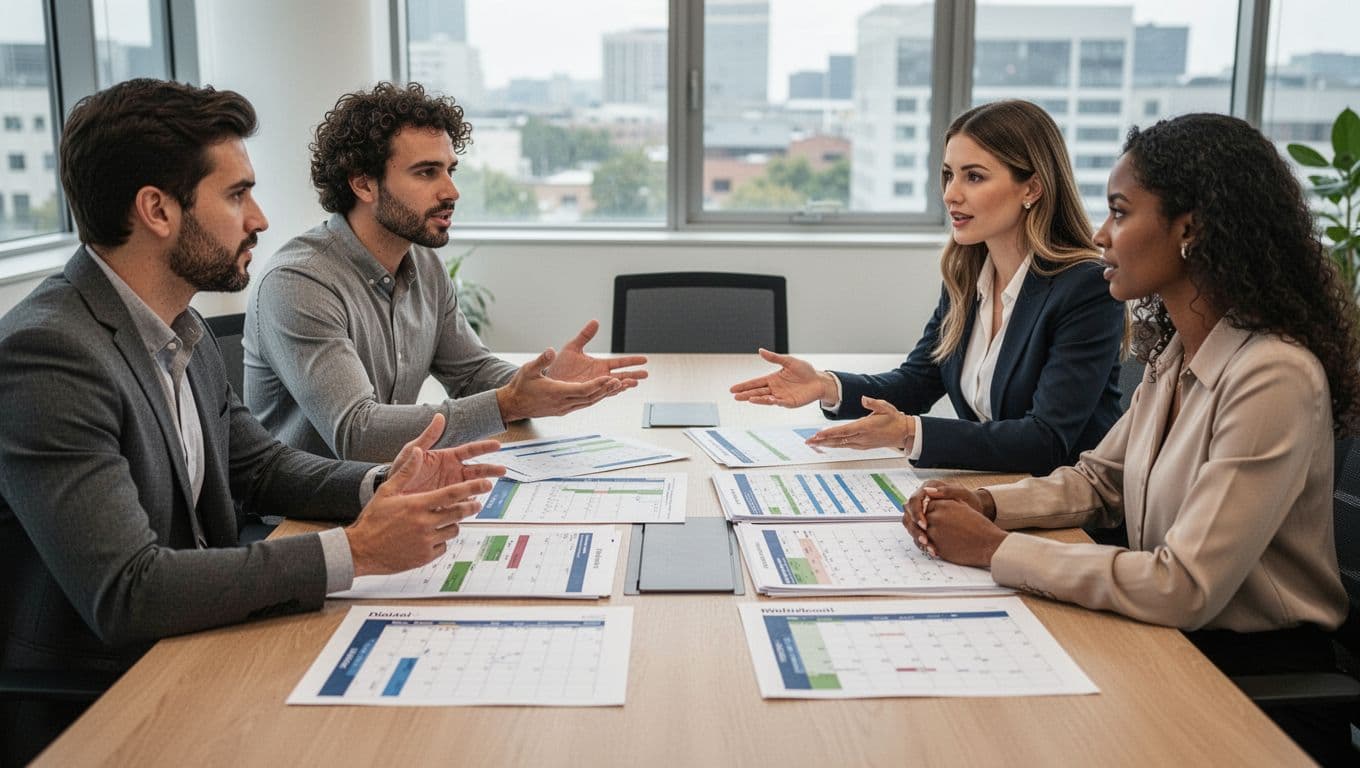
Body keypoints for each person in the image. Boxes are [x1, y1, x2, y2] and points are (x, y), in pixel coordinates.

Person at [0, 79, 506, 763]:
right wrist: (354, 551)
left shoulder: (179, 326)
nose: (260, 218)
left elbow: (260, 466)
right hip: (107, 698)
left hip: (207, 639)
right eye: (236, 195)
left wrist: (383, 483)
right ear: (156, 210)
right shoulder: (50, 355)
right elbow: (129, 591)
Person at [904, 113, 1360, 765]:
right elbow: (1099, 481)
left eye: (1119, 213)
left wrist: (996, 550)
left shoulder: (1272, 376)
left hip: (1247, 694)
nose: (1098, 234)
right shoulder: (1179, 353)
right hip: (1164, 649)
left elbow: (1184, 586)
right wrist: (990, 506)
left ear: (1189, 229)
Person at [244, 82, 647, 463]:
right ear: (364, 184)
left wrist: (543, 380)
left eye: (450, 170)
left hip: (393, 494)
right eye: (426, 172)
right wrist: (510, 402)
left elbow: (471, 373)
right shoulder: (299, 283)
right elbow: (358, 434)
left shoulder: (423, 262)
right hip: (303, 522)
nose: (451, 191)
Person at [730, 100, 1125, 476]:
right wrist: (825, 385)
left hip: (1067, 513)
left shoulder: (1085, 289)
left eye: (974, 176)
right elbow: (917, 383)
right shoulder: (968, 276)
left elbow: (1046, 441)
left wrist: (908, 432)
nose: (952, 193)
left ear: (1032, 189)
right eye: (949, 174)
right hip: (993, 490)